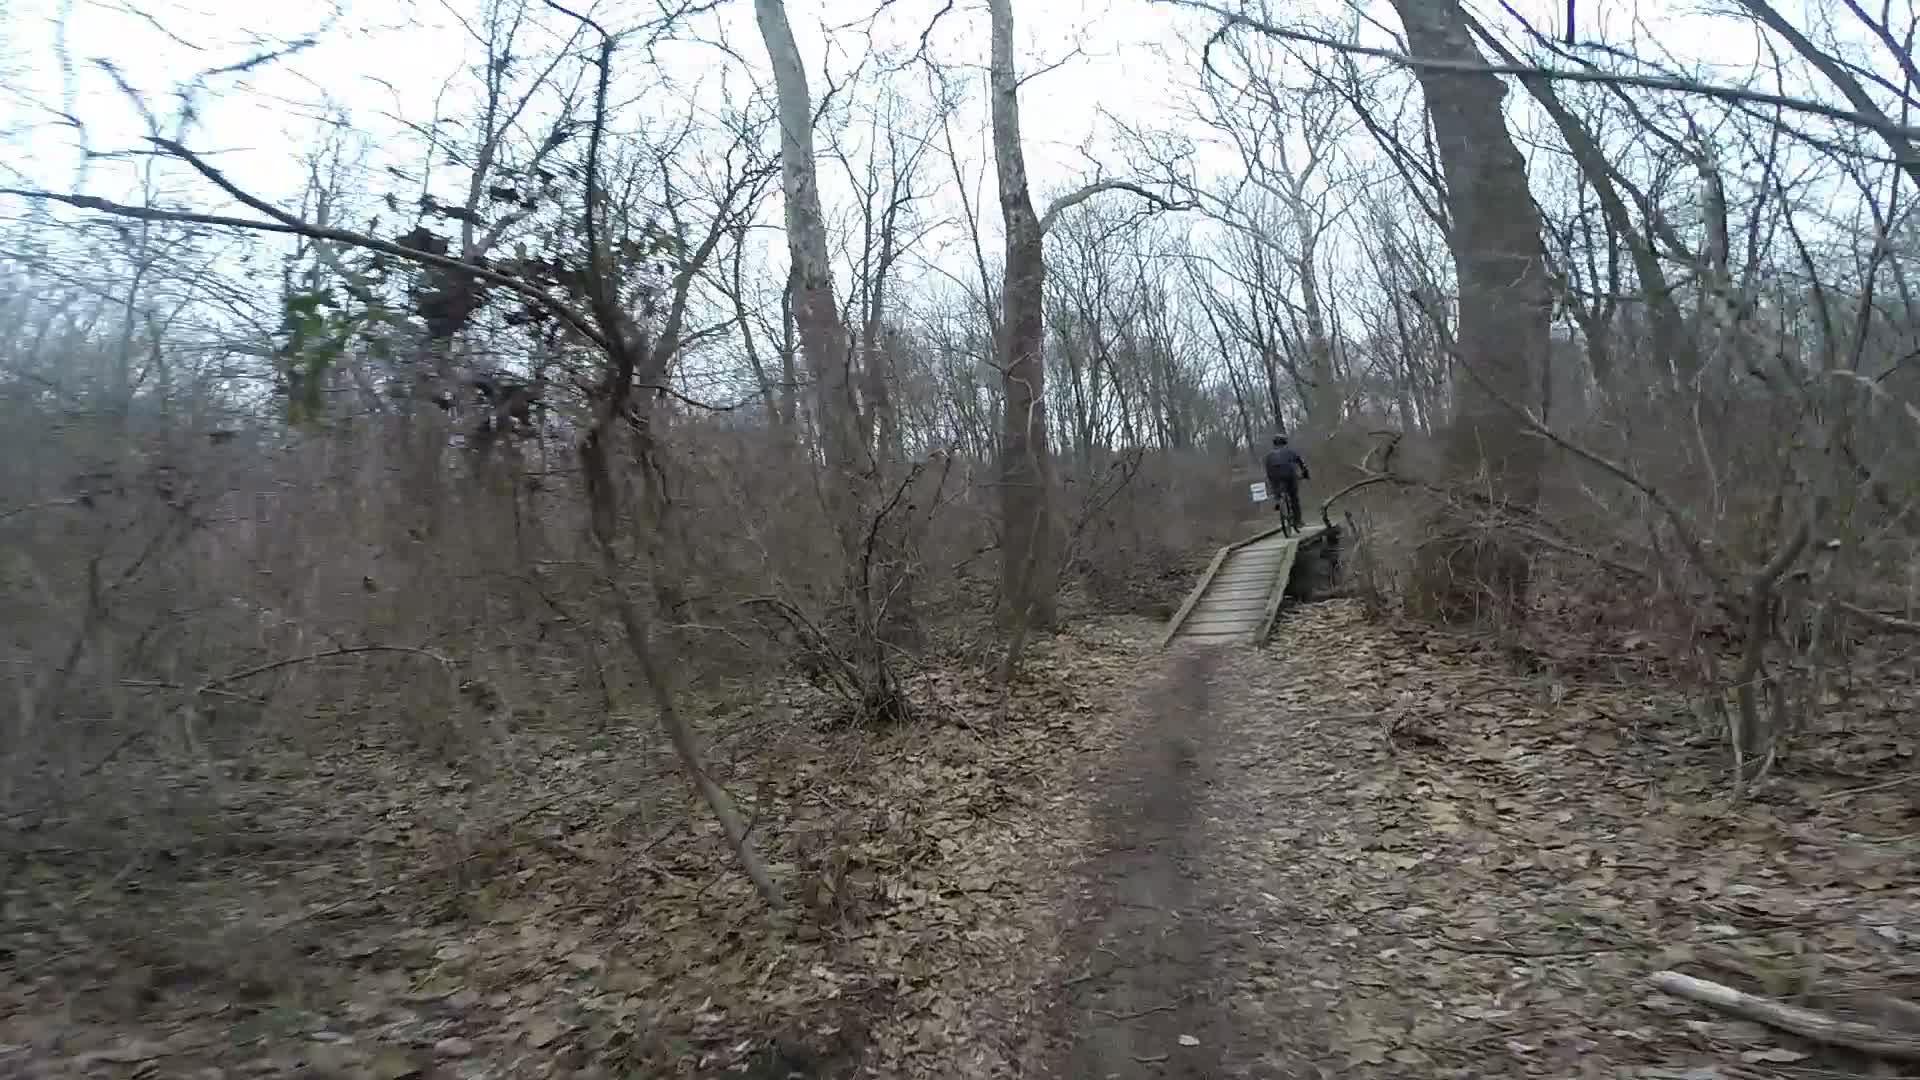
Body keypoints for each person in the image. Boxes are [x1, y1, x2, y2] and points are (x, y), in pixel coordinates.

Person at [1263, 434, 1310, 534]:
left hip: (1275, 477)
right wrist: (1305, 473)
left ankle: (1277, 499)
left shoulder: (1269, 455)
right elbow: (1302, 463)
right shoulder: (1290, 452)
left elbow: (1267, 469)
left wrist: (1271, 480)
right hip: (1289, 475)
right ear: (1285, 442)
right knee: (1294, 497)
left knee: (1276, 488)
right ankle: (1298, 521)